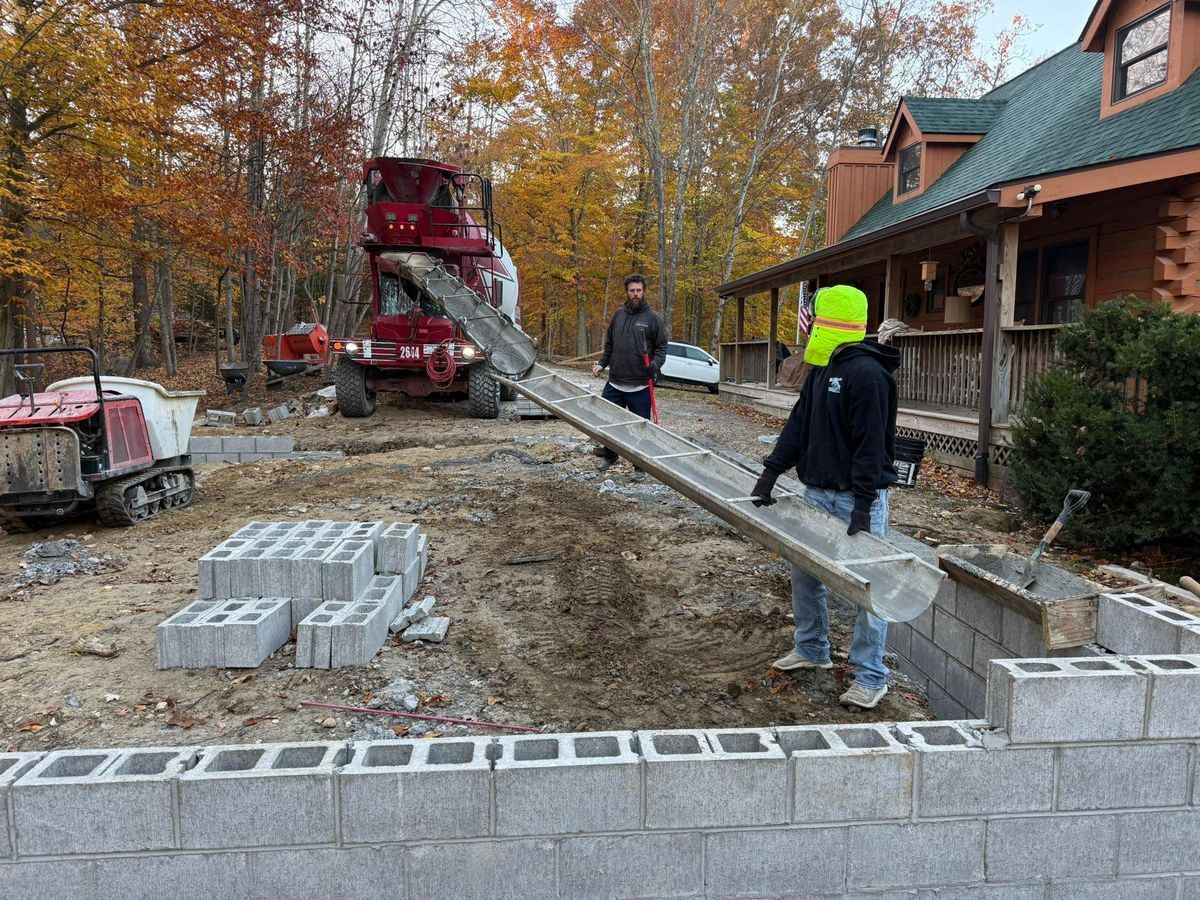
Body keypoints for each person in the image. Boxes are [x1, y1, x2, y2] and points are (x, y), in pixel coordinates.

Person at [750, 284, 901, 709]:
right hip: (816, 491)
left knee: (868, 588)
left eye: (816, 319)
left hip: (857, 499)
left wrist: (864, 504)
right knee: (805, 573)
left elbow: (872, 445)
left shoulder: (870, 375)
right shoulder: (821, 370)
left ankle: (871, 675)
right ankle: (812, 648)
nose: (812, 326)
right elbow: (799, 424)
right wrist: (771, 472)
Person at [591, 274, 668, 471]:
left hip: (640, 385)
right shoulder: (619, 315)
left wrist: (655, 365)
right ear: (627, 291)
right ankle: (610, 455)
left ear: (644, 291)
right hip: (615, 382)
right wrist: (602, 364)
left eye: (638, 290)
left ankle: (640, 466)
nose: (635, 294)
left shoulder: (653, 318)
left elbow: (661, 347)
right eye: (632, 290)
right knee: (606, 421)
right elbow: (610, 344)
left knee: (640, 428)